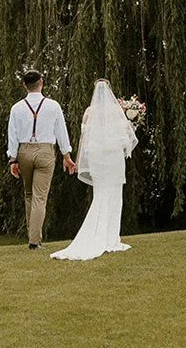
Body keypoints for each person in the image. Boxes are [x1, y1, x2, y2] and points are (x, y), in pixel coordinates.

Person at [51, 79, 138, 260]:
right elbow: (128, 138)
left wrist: (80, 161)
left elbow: (84, 139)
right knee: (114, 195)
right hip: (114, 159)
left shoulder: (89, 112)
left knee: (101, 194)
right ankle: (111, 238)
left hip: (98, 159)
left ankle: (107, 236)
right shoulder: (117, 111)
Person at [7, 69, 76, 249]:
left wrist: (13, 159)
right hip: (45, 151)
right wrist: (66, 155)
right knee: (40, 197)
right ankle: (34, 241)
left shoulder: (16, 108)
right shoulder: (53, 106)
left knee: (29, 194)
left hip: (24, 151)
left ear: (24, 85)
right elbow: (61, 131)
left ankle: (33, 237)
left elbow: (12, 135)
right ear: (42, 82)